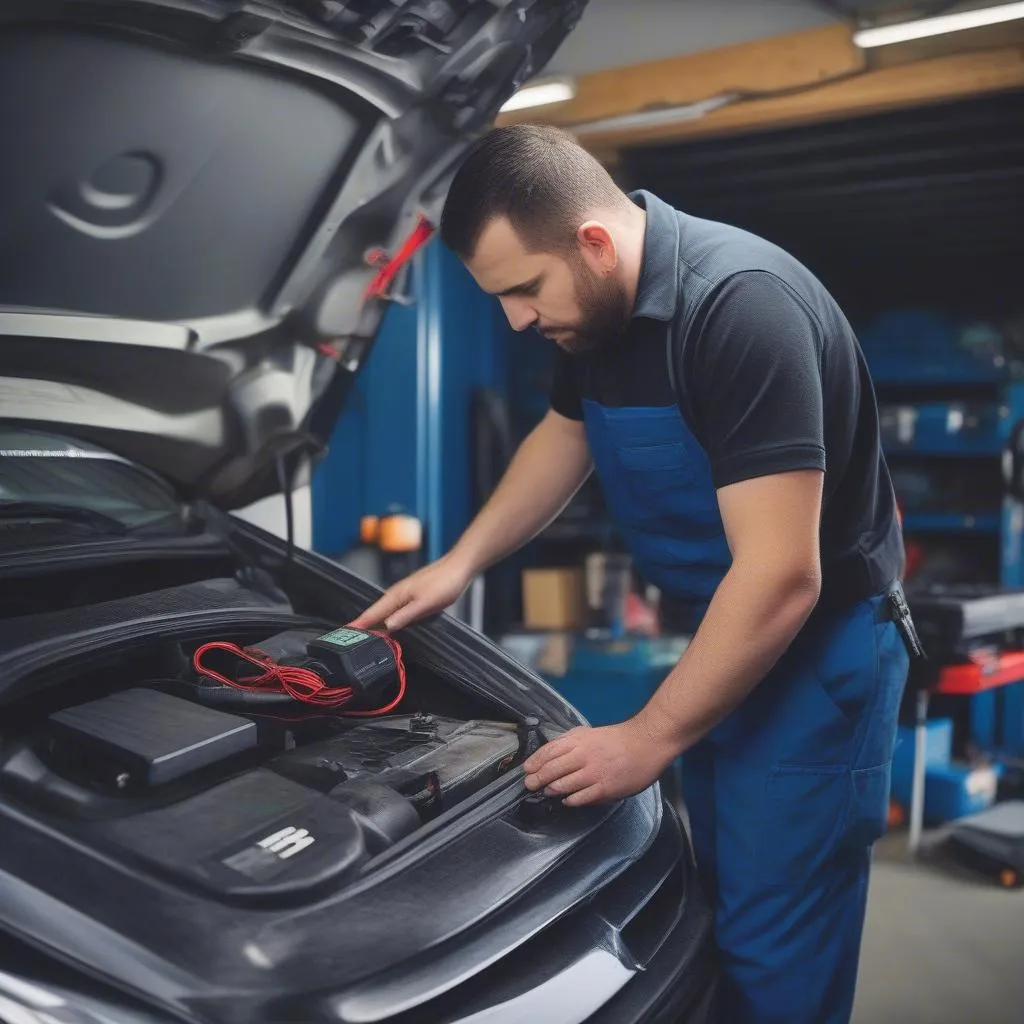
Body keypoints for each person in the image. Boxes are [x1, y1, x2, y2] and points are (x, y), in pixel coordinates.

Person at [352, 123, 916, 1023]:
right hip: (727, 638)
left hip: (818, 657)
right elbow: (563, 438)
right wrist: (460, 562)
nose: (518, 320)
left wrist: (646, 737)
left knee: (777, 947)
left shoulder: (740, 307)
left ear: (595, 242)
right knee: (719, 906)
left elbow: (781, 575)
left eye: (525, 289)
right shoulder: (599, 317)